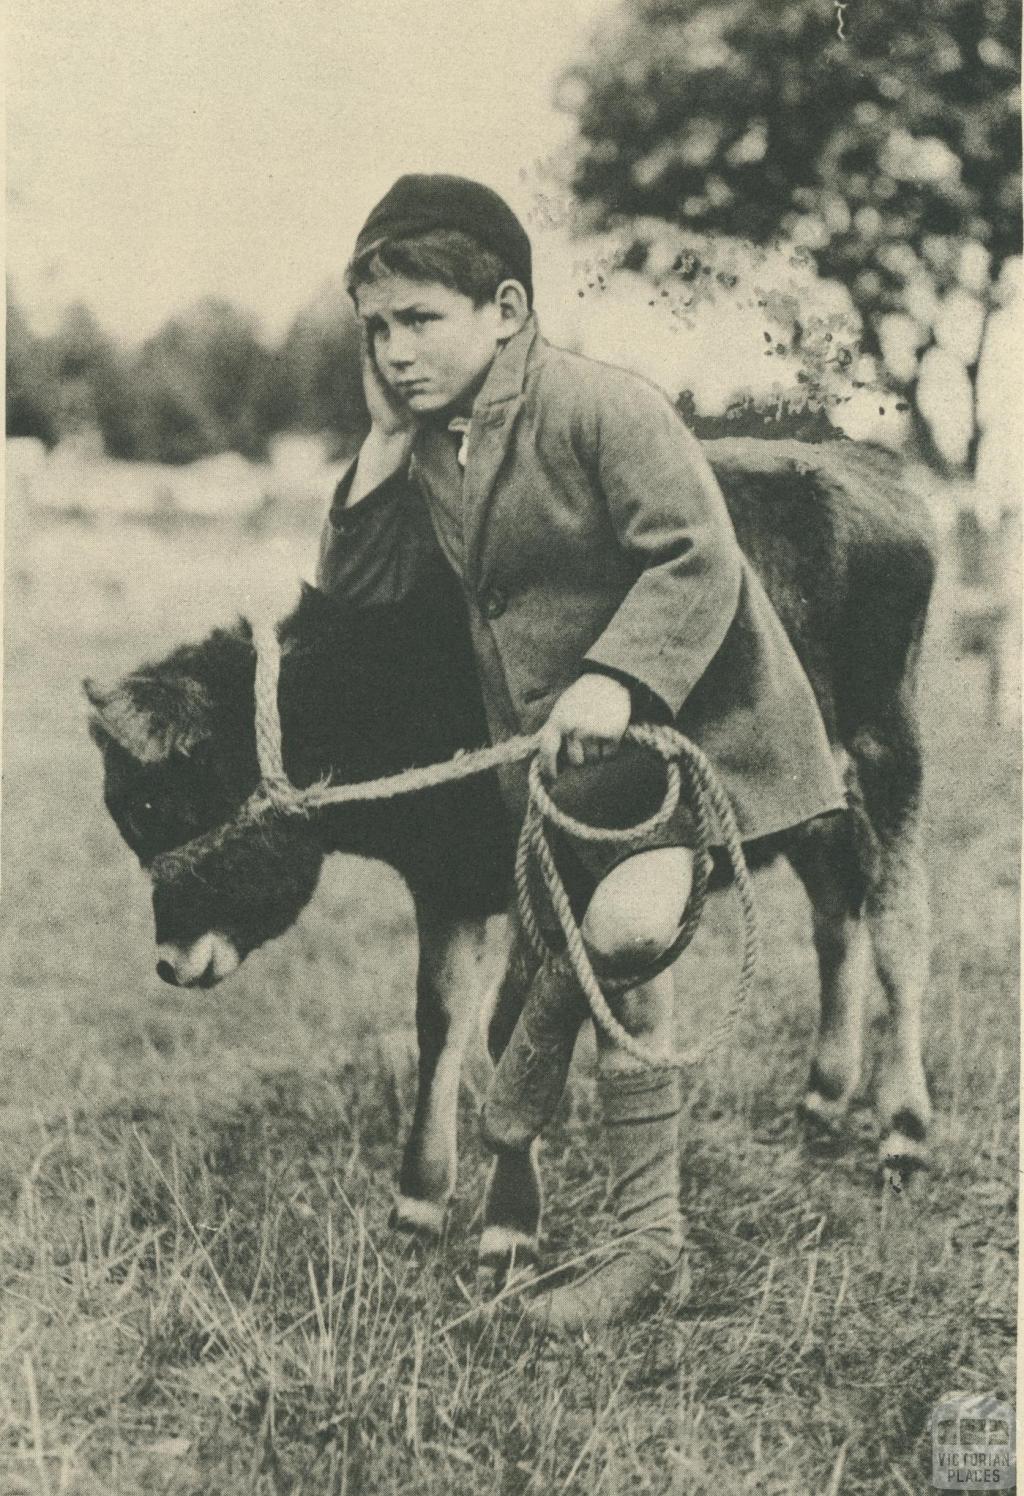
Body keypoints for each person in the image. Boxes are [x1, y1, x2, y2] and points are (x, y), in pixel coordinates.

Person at [316, 173, 845, 1330]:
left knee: (631, 931)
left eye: (419, 321)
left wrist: (615, 675)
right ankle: (638, 1235)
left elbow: (697, 557)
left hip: (684, 735)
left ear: (505, 308)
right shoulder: (429, 450)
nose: (395, 349)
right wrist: (379, 437)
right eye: (377, 330)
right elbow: (357, 591)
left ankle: (562, 1122)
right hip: (559, 775)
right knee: (622, 970)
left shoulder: (602, 406)